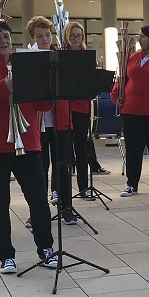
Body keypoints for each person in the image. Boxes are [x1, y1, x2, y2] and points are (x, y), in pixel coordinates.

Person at [0, 18, 57, 275]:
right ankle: (6, 256)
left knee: (38, 200)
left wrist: (49, 90)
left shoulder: (25, 64)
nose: (3, 41)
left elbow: (42, 105)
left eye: (6, 36)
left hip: (27, 141)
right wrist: (3, 87)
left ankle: (46, 249)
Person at [111, 24, 149, 196]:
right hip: (131, 111)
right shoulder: (133, 57)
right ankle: (132, 184)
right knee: (133, 149)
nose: (139, 39)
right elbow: (122, 78)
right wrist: (116, 95)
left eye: (142, 36)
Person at [26, 16, 63, 211]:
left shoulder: (58, 56)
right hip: (37, 120)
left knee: (60, 161)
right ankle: (39, 208)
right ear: (33, 38)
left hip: (58, 119)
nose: (45, 39)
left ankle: (59, 196)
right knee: (40, 165)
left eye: (47, 35)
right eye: (40, 36)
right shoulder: (28, 58)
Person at [62, 21, 98, 201]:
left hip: (82, 107)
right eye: (72, 35)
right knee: (64, 151)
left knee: (81, 148)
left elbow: (93, 82)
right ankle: (61, 191)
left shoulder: (87, 57)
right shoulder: (61, 56)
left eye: (79, 35)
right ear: (67, 37)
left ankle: (84, 187)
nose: (76, 38)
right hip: (64, 108)